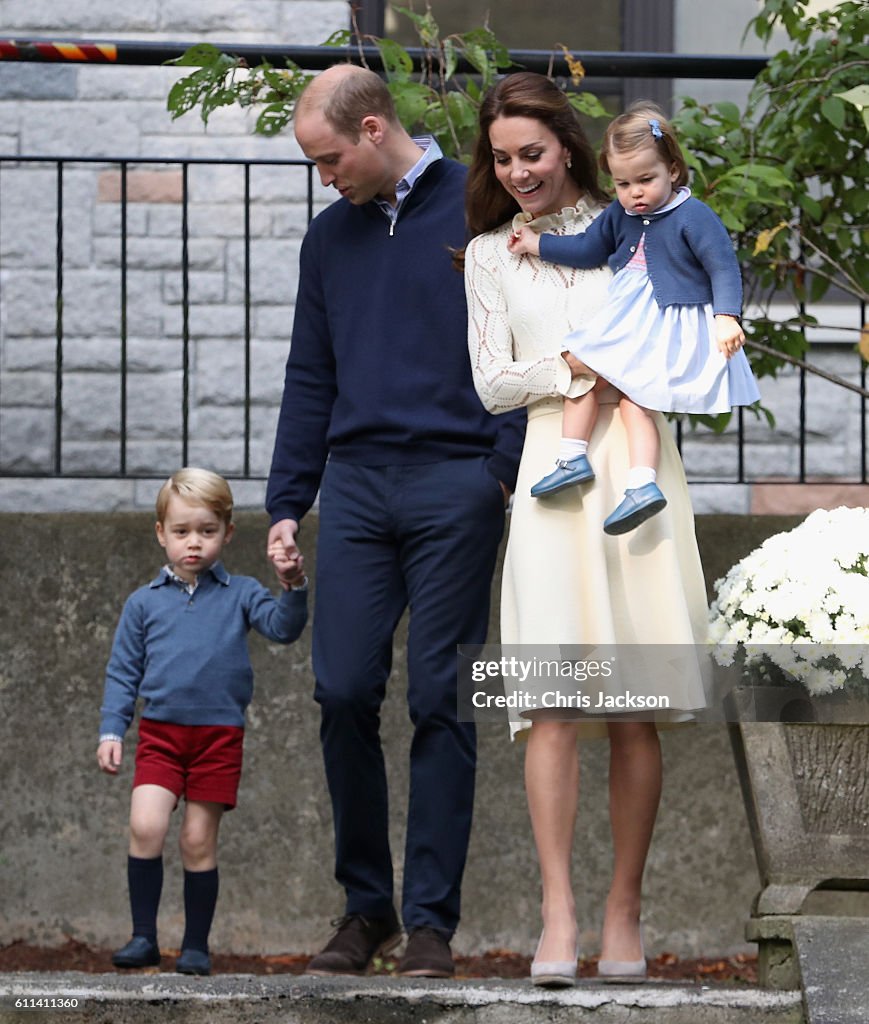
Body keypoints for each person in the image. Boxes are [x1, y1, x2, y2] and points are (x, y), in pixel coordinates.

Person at [266, 64, 525, 978]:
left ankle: (429, 926)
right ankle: (364, 909)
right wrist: (287, 502)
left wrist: (497, 472)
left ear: (374, 130)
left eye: (328, 158)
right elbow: (310, 374)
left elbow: (528, 340)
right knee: (339, 690)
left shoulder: (478, 207)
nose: (322, 176)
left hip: (457, 481)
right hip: (359, 487)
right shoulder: (326, 240)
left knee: (441, 702)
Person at [464, 73, 710, 986]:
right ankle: (558, 914)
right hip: (547, 467)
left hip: (638, 460)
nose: (518, 170)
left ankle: (623, 912)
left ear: (566, 145)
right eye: (502, 158)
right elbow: (492, 381)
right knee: (551, 702)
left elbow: (684, 328)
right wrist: (575, 365)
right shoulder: (491, 256)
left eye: (531, 152)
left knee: (635, 706)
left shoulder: (642, 222)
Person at [508, 101, 759, 534]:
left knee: (628, 393)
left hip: (666, 319)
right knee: (586, 371)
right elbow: (587, 248)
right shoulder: (620, 214)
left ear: (673, 171)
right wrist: (536, 244)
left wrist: (726, 317)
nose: (634, 193)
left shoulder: (693, 216)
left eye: (646, 180)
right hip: (629, 316)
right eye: (623, 184)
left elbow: (723, 267)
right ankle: (579, 461)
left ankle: (636, 481)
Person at [97, 467, 308, 976]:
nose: (194, 544)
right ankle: (144, 937)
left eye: (207, 532)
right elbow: (123, 671)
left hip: (218, 738)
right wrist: (111, 730)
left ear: (228, 533)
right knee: (145, 825)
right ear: (161, 534)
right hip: (160, 735)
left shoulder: (241, 593)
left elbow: (283, 629)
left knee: (197, 840)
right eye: (182, 532)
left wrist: (293, 585)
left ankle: (195, 945)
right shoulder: (144, 602)